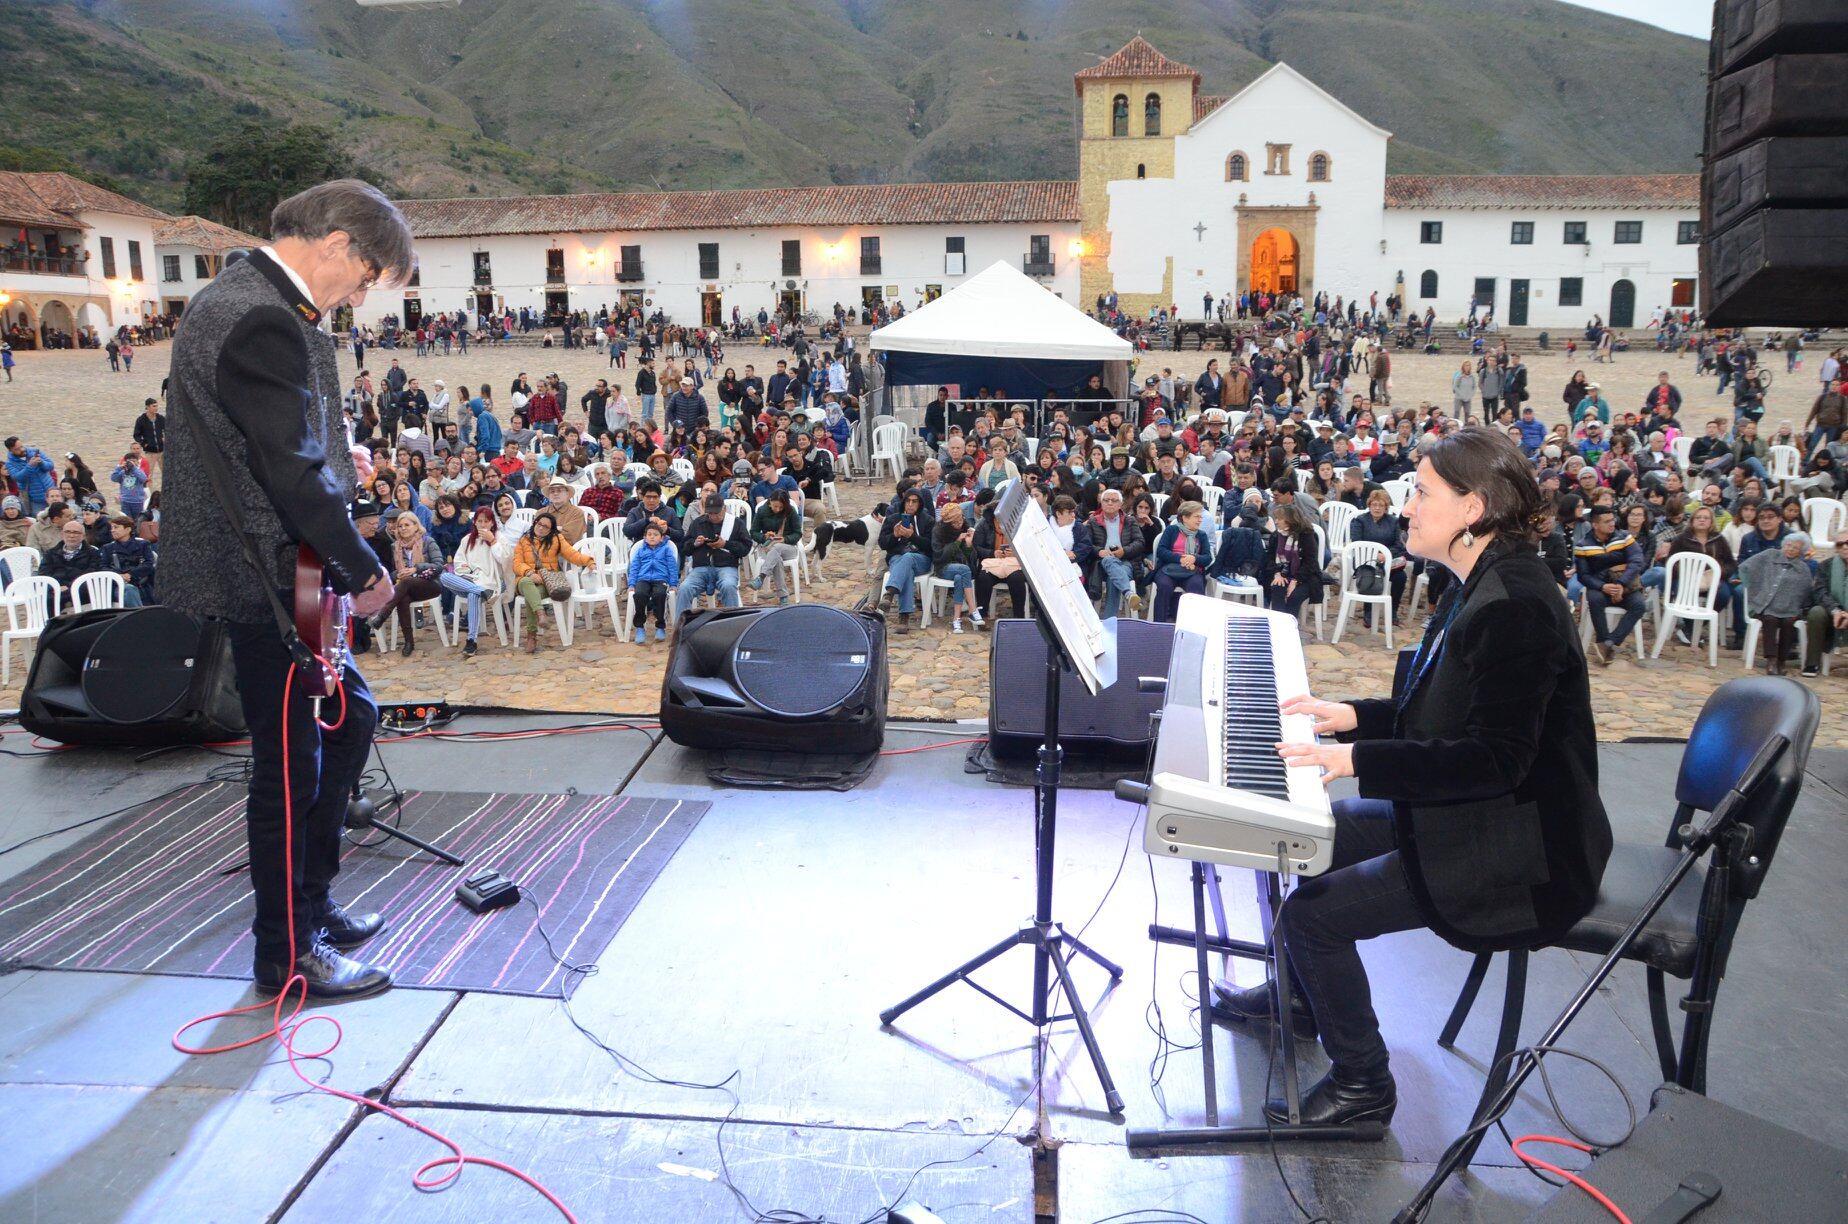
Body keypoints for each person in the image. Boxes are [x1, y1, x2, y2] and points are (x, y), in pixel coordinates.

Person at [1212, 426, 1611, 1129]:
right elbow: (1443, 712)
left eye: (1422, 493)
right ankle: (1308, 1000)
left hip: (1521, 853)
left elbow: (1493, 759)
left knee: (1312, 917)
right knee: (1303, 836)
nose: (1408, 507)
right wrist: (1352, 718)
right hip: (1478, 815)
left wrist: (1358, 759)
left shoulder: (1515, 603)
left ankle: (1364, 1086)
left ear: (1473, 507)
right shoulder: (1485, 576)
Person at [157, 179, 407, 999]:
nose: (361, 292)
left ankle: (313, 901)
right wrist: (364, 571)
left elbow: (275, 443)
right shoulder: (263, 316)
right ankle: (286, 951)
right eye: (367, 274)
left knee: (350, 720)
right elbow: (288, 472)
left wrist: (343, 463)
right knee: (290, 768)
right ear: (336, 242)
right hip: (274, 569)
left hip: (279, 558)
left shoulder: (244, 296)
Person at [1575, 504, 1647, 664]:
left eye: (1612, 519)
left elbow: (1636, 562)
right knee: (1594, 599)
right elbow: (1583, 575)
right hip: (1601, 586)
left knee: (1639, 605)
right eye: (1606, 521)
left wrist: (1621, 584)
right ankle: (1603, 639)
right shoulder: (1583, 545)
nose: (1611, 523)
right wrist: (1602, 586)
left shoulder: (1624, 537)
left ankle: (1608, 643)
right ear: (1595, 525)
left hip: (1626, 585)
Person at [511, 510, 590, 651]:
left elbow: (572, 554)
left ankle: (531, 636)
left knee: (532, 596)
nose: (541, 528)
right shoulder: (524, 540)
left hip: (547, 582)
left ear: (551, 530)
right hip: (526, 579)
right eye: (539, 524)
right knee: (526, 583)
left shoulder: (556, 539)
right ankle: (541, 614)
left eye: (546, 527)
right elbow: (516, 563)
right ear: (534, 523)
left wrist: (589, 561)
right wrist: (529, 572)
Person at [1739, 532, 1816, 675]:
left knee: (1788, 622)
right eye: (1788, 545)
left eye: (1796, 548)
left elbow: (1806, 592)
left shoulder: (1802, 568)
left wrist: (1799, 609)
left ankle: (1782, 661)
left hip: (1790, 609)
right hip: (1764, 606)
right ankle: (1772, 660)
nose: (1791, 549)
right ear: (1783, 544)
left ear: (1801, 552)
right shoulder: (1770, 555)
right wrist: (1754, 590)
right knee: (1770, 619)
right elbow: (1746, 567)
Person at [441, 506, 506, 658]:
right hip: (470, 580)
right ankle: (481, 592)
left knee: (472, 595)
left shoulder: (499, 538)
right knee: (444, 577)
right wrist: (466, 570)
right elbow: (459, 562)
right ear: (475, 522)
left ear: (492, 523)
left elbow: (504, 560)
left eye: (486, 521)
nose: (483, 524)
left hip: (492, 580)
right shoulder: (467, 540)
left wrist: (492, 541)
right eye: (479, 521)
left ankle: (472, 640)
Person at [676, 492, 749, 616]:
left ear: (724, 509)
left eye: (717, 513)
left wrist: (725, 544)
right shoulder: (698, 523)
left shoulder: (735, 523)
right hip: (701, 567)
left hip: (726, 567)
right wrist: (695, 543)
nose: (713, 516)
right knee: (684, 588)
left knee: (728, 585)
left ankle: (733, 623)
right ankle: (681, 628)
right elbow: (684, 548)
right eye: (710, 513)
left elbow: (746, 548)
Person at [877, 487, 936, 635]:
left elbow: (931, 546)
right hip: (898, 558)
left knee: (908, 558)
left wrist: (912, 536)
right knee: (906, 568)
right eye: (908, 501)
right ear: (903, 503)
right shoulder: (892, 519)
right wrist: (895, 535)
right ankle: (904, 617)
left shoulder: (928, 521)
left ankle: (889, 593)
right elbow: (883, 544)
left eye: (914, 502)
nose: (910, 505)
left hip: (921, 559)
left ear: (920, 504)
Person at [1152, 500, 1211, 621]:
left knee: (1196, 586)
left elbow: (1207, 557)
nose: (1200, 520)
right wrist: (1181, 558)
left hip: (1192, 571)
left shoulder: (1201, 535)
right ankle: (1159, 626)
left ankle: (1193, 625)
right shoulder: (1171, 530)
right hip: (1169, 569)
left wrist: (1194, 558)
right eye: (1196, 517)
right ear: (1185, 517)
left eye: (1201, 517)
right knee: (1164, 585)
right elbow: (1161, 551)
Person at [749, 486, 802, 605]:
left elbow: (798, 534)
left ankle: (761, 577)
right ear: (770, 503)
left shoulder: (790, 512)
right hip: (768, 547)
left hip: (788, 547)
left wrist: (785, 539)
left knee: (777, 548)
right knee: (775, 555)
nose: (777, 509)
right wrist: (764, 537)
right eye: (775, 506)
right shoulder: (762, 511)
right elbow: (753, 532)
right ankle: (783, 596)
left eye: (781, 507)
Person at [1806, 530, 1848, 678]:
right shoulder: (1825, 566)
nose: (1844, 547)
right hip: (1833, 613)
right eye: (1840, 544)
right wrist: (1836, 610)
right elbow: (1820, 592)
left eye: (1847, 543)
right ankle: (1812, 663)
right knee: (1816, 612)